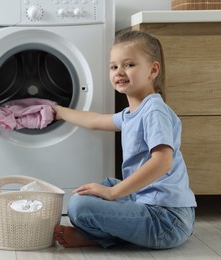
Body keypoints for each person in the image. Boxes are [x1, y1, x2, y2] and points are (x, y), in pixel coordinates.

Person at [53, 30, 197, 249]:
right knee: (93, 192)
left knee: (82, 206)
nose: (119, 71)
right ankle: (100, 234)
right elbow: (95, 121)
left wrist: (113, 193)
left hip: (167, 220)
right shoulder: (132, 112)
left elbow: (162, 161)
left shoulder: (154, 110)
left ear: (153, 70)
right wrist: (60, 111)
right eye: (114, 66)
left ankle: (96, 238)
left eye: (129, 65)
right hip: (147, 204)